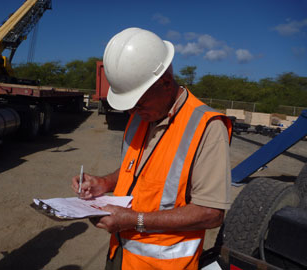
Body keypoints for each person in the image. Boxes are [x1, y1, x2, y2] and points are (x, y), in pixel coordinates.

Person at [72, 27, 232, 270]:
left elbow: (211, 213)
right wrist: (104, 183)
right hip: (120, 254)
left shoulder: (207, 128)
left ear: (166, 82)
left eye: (138, 103)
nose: (132, 112)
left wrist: (134, 220)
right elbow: (136, 169)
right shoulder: (142, 117)